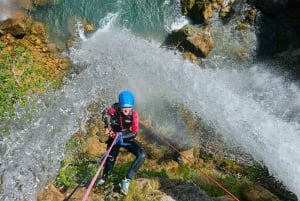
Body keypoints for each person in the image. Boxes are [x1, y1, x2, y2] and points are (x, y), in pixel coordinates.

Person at [96, 90, 146, 195]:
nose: (127, 110)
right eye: (124, 107)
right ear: (120, 106)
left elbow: (134, 133)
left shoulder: (134, 114)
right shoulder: (113, 110)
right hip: (114, 138)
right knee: (110, 159)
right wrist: (106, 127)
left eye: (129, 107)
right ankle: (104, 178)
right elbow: (103, 112)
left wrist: (122, 136)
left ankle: (126, 180)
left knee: (142, 155)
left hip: (127, 138)